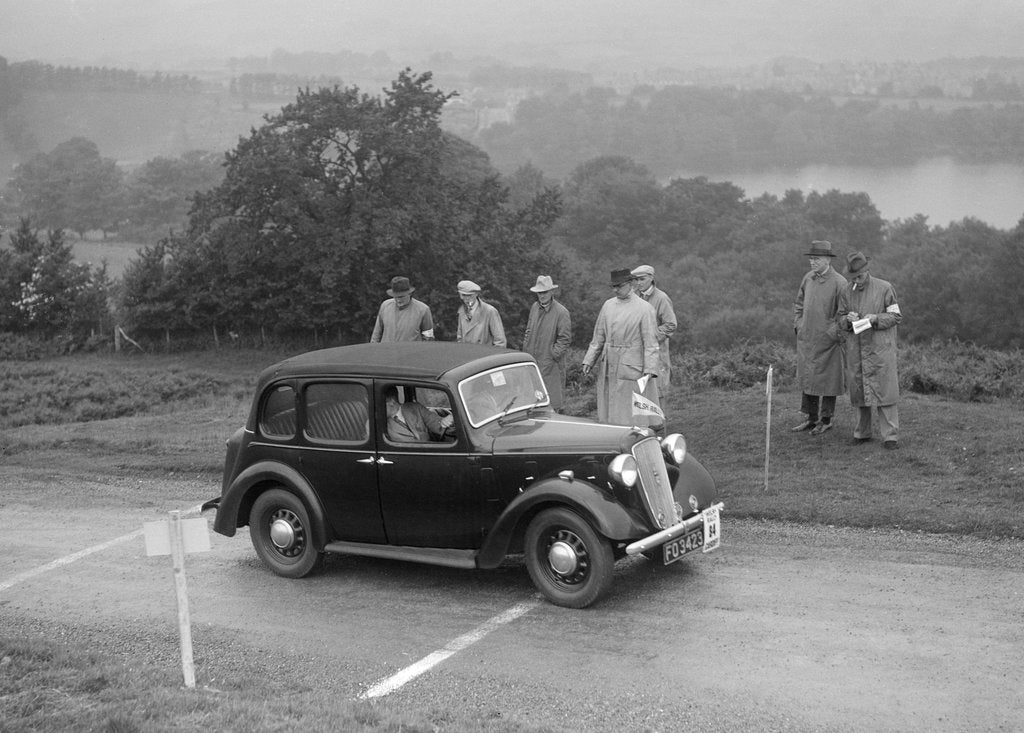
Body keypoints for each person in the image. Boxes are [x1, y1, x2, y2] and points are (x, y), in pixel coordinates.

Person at [582, 268, 663, 430]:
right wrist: (589, 360)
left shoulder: (644, 309)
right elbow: (598, 336)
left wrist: (649, 370)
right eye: (613, 287)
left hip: (632, 365)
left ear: (630, 284)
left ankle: (636, 438)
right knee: (610, 406)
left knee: (631, 410)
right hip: (609, 363)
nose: (615, 290)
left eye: (619, 286)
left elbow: (651, 343)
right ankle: (611, 435)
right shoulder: (608, 306)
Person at [839, 251, 903, 450]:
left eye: (859, 275)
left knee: (886, 392)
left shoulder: (885, 288)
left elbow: (896, 316)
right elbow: (839, 319)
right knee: (859, 392)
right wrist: (846, 320)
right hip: (856, 349)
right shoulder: (846, 291)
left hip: (880, 349)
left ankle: (890, 436)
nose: (856, 280)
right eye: (853, 277)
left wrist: (875, 318)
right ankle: (862, 433)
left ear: (867, 270)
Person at [791, 240, 848, 435]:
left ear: (827, 260)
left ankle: (826, 419)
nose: (812, 263)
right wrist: (798, 324)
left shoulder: (840, 283)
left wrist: (832, 333)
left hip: (828, 342)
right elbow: (799, 304)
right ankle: (811, 417)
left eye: (816, 259)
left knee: (828, 380)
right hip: (807, 338)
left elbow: (844, 313)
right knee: (809, 378)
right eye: (811, 259)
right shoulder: (808, 278)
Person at [522, 275, 572, 410]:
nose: (542, 295)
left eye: (544, 292)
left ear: (551, 292)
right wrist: (526, 349)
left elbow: (565, 339)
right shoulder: (534, 307)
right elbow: (528, 330)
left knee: (553, 404)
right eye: (539, 292)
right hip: (533, 362)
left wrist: (552, 355)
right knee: (533, 402)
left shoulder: (562, 312)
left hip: (551, 366)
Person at [631, 264, 677, 386]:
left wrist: (650, 336)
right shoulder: (633, 296)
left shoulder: (661, 298)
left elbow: (670, 324)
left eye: (642, 279)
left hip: (657, 353)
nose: (638, 283)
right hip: (635, 352)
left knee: (657, 389)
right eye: (636, 280)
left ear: (651, 278)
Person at [370, 276, 434, 342]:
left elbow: (428, 337)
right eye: (395, 297)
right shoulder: (385, 306)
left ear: (409, 293)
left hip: (411, 351)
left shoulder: (423, 309)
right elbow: (376, 334)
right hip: (386, 351)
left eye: (401, 297)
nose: (398, 300)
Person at [384, 386, 453, 442]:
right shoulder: (381, 424)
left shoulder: (415, 408)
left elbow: (437, 424)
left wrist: (448, 420)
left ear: (391, 401)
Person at [456, 279, 506, 347]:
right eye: (464, 295)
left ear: (476, 294)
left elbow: (500, 341)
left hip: (484, 355)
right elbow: (460, 338)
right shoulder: (461, 311)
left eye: (470, 295)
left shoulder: (489, 311)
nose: (467, 298)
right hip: (466, 355)